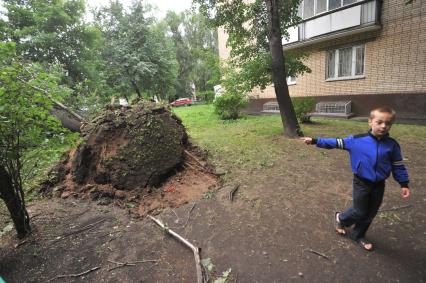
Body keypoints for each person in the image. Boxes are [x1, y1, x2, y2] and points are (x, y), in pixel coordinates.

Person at [300, 107, 410, 251]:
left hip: (379, 184)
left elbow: (398, 165)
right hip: (361, 183)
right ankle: (340, 218)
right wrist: (315, 140)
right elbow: (336, 142)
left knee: (371, 213)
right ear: (370, 122)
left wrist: (403, 183)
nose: (384, 126)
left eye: (388, 123)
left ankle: (358, 235)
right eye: (379, 122)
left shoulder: (392, 145)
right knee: (359, 211)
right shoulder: (357, 140)